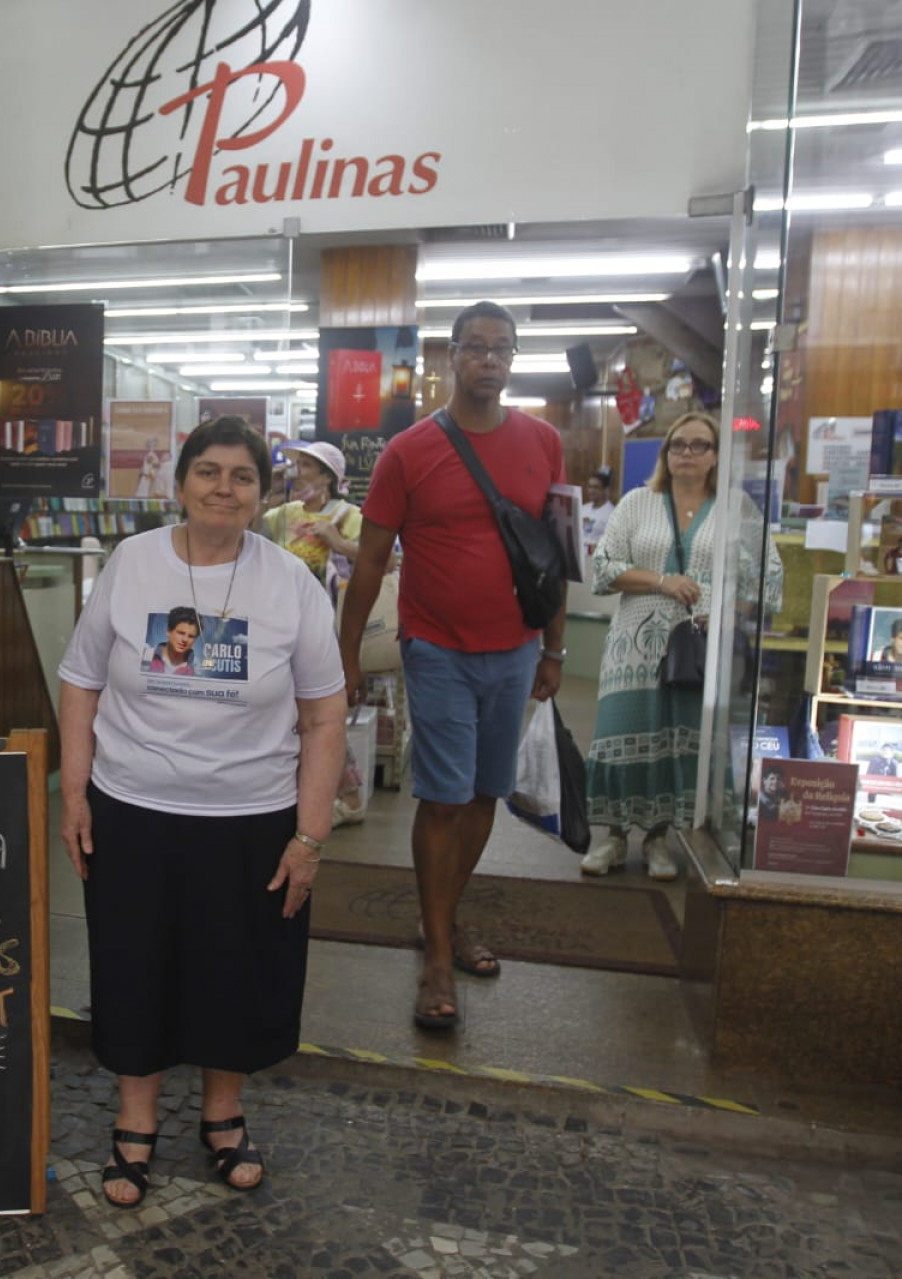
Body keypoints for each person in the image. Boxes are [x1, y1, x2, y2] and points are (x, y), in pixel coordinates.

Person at [58, 414, 348, 1207]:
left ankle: (223, 1115)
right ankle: (135, 1118)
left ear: (263, 492)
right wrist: (74, 791)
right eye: (209, 471)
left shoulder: (290, 580)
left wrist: (310, 836)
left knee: (237, 968)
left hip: (251, 816)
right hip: (134, 807)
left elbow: (326, 716)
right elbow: (80, 680)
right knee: (133, 962)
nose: (225, 487)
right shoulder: (132, 562)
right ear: (180, 483)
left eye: (243, 475)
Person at [337, 301, 567, 1032]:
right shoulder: (409, 450)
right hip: (435, 647)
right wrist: (346, 653)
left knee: (483, 796)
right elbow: (370, 562)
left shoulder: (545, 443)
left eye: (502, 349)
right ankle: (437, 953)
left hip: (516, 649)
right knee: (441, 798)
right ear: (451, 358)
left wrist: (553, 647)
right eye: (475, 347)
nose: (489, 360)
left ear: (513, 359)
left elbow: (557, 558)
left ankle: (443, 917)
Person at [581, 411, 782, 880]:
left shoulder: (736, 509)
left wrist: (735, 611)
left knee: (677, 742)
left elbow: (767, 576)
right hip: (635, 647)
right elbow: (604, 569)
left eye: (699, 445)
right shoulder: (637, 502)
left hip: (699, 647)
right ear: (665, 453)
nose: (687, 454)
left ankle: (658, 841)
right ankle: (611, 837)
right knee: (621, 735)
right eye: (678, 445)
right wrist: (662, 580)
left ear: (716, 456)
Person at [263, 440, 363, 592]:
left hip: (330, 609)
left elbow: (385, 561)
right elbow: (247, 532)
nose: (296, 471)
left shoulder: (350, 515)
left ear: (328, 477)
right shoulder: (285, 512)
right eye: (297, 464)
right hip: (284, 607)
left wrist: (339, 543)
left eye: (306, 465)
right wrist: (267, 487)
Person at [143, 606, 201, 674]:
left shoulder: (197, 666)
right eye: (181, 633)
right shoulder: (147, 655)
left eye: (191, 636)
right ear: (168, 631)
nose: (185, 639)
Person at [580, 469, 616, 555]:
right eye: (590, 487)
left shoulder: (613, 513)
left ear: (605, 490)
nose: (591, 491)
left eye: (595, 487)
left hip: (596, 558)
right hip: (578, 556)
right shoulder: (582, 508)